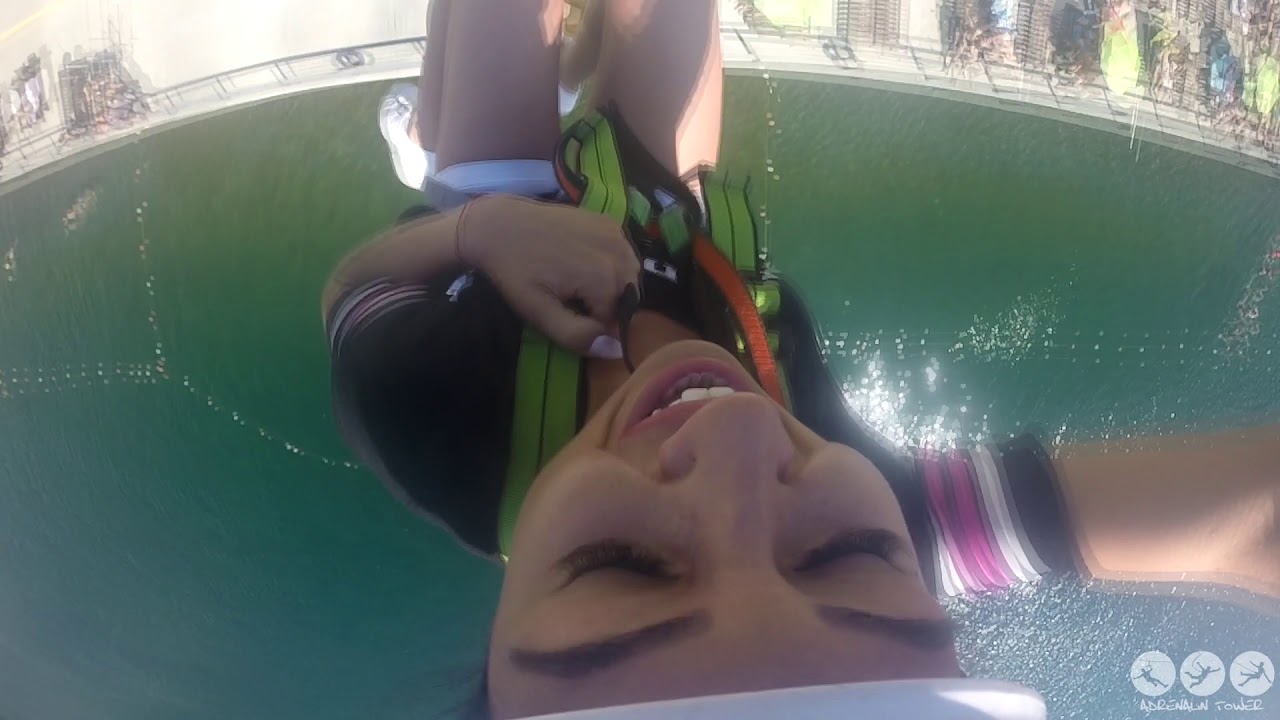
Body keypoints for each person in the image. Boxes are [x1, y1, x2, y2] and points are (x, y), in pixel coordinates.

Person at [322, 1, 1279, 718]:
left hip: (497, 226)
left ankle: (456, 131)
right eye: (841, 556)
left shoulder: (435, 417)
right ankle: (578, 80)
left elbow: (356, 288)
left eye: (625, 566)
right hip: (668, 226)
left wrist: (479, 232)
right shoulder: (899, 514)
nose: (735, 437)